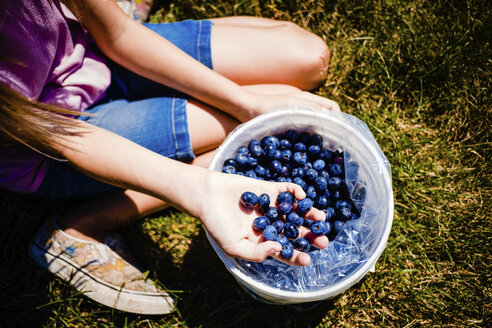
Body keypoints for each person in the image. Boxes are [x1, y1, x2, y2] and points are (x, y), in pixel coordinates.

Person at [0, 0, 339, 314]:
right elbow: (63, 138)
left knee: (309, 58)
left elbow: (118, 34)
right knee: (269, 126)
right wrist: (202, 190)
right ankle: (84, 225)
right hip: (51, 145)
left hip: (90, 56)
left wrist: (245, 102)